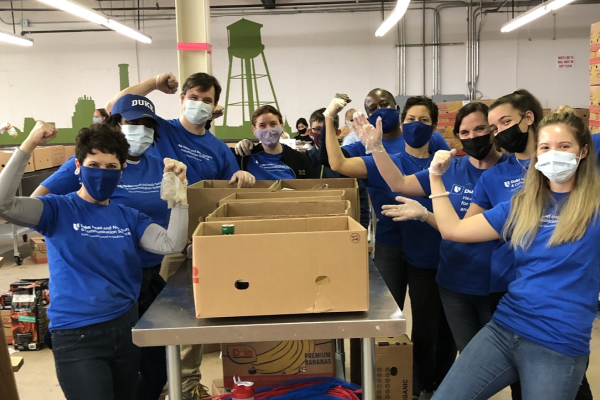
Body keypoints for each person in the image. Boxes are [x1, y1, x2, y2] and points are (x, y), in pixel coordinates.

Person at [0, 121, 187, 400]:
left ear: (122, 170)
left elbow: (170, 243)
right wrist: (28, 145)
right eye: (94, 164)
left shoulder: (128, 216)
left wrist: (179, 195)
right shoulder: (56, 209)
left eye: (111, 167)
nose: (102, 173)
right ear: (78, 165)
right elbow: (4, 204)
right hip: (77, 336)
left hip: (125, 329)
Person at [428, 108, 598, 400]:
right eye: (545, 147)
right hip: (505, 327)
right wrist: (434, 177)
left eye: (564, 146)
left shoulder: (595, 207)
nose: (553, 153)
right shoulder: (522, 205)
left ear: (582, 151)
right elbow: (454, 230)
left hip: (558, 341)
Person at [324, 94, 454, 400]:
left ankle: (427, 385)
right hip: (391, 246)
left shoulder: (441, 162)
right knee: (382, 320)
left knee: (431, 326)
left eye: (424, 120)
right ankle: (376, 381)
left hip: (430, 252)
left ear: (434, 127)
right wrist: (329, 119)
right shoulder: (384, 158)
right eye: (411, 119)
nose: (416, 126)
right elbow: (337, 163)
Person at [105, 72, 255, 188]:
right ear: (182, 98)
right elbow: (114, 107)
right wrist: (155, 83)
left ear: (214, 105)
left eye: (206, 100)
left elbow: (230, 185)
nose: (199, 104)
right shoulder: (158, 128)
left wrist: (241, 175)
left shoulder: (221, 150)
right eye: (194, 98)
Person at [232, 105, 314, 180]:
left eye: (273, 124)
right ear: (254, 129)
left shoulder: (299, 159)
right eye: (262, 125)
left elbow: (309, 190)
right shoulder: (245, 156)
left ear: (281, 125)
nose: (269, 129)